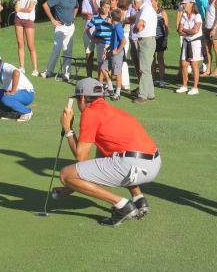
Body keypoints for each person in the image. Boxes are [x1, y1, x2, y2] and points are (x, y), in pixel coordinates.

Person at [56, 77, 162, 226]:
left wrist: (68, 129)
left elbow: (81, 157)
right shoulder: (110, 110)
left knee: (65, 174)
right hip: (153, 164)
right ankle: (138, 199)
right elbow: (90, 168)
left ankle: (122, 205)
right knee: (110, 156)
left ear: (82, 98)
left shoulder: (90, 113)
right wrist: (69, 189)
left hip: (133, 166)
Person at [41, 0, 83, 80]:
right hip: (60, 27)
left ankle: (66, 73)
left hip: (70, 27)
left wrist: (73, 17)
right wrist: (52, 19)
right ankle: (48, 71)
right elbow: (45, 5)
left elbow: (77, 7)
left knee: (68, 50)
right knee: (57, 49)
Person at [0, 51, 35, 122]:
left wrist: (13, 91)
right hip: (13, 94)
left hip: (27, 93)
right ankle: (15, 112)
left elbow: (16, 73)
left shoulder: (6, 66)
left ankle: (27, 112)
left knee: (6, 99)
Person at [129, 0, 158, 103]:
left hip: (146, 41)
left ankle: (142, 95)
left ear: (135, 2)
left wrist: (136, 29)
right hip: (147, 40)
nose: (132, 6)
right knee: (146, 69)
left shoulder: (145, 9)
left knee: (144, 69)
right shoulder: (144, 9)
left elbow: (139, 24)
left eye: (132, 4)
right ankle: (150, 94)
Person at [176, 0, 203, 95]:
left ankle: (195, 87)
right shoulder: (183, 15)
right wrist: (187, 31)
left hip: (195, 43)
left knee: (194, 64)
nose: (183, 5)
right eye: (183, 3)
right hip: (186, 42)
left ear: (191, 4)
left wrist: (185, 31)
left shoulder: (197, 16)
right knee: (183, 64)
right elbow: (179, 30)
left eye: (185, 3)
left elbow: (195, 31)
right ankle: (184, 85)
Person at [86, 0, 113, 92]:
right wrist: (92, 39)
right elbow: (87, 29)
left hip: (110, 44)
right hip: (101, 43)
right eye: (105, 7)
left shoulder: (111, 17)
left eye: (108, 7)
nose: (106, 9)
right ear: (101, 7)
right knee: (101, 64)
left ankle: (106, 84)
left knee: (108, 65)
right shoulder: (95, 18)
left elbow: (117, 28)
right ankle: (101, 84)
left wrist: (111, 23)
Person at [13, 0, 39, 76]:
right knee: (20, 43)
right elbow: (16, 8)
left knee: (30, 45)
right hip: (18, 20)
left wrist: (20, 9)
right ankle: (22, 67)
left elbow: (29, 9)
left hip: (28, 20)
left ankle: (35, 69)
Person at [81, 0, 103, 78]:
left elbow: (101, 13)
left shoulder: (103, 1)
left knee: (101, 57)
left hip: (100, 31)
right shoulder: (85, 1)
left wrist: (94, 2)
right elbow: (85, 15)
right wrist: (96, 15)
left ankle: (100, 80)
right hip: (88, 31)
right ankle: (89, 77)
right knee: (89, 55)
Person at [105, 9, 127, 101]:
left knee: (118, 73)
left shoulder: (118, 27)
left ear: (112, 18)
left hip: (117, 54)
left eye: (109, 16)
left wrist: (117, 51)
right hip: (111, 52)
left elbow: (123, 41)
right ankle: (110, 88)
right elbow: (115, 41)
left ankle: (117, 93)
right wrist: (108, 48)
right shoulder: (114, 27)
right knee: (104, 68)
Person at [203, 0, 217, 77]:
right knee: (207, 50)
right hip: (207, 27)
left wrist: (214, 29)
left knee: (216, 49)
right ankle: (208, 69)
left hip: (215, 28)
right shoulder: (209, 1)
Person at [150, 0, 169, 87]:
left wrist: (166, 38)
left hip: (160, 38)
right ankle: (152, 80)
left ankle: (161, 80)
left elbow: (166, 27)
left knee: (160, 59)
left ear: (157, 2)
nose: (150, 3)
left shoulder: (162, 12)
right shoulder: (149, 11)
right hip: (151, 38)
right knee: (152, 60)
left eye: (151, 1)